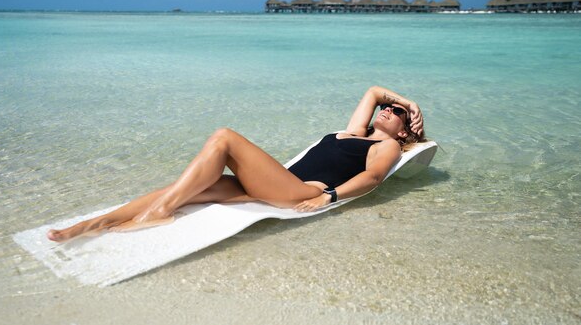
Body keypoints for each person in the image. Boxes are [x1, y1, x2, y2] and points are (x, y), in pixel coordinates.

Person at [47, 85, 425, 242]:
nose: (386, 109)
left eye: (395, 113)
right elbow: (374, 90)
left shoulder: (387, 146)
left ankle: (159, 212)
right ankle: (94, 223)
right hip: (280, 181)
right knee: (190, 189)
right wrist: (409, 104)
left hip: (298, 192)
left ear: (405, 133)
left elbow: (374, 178)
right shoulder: (355, 131)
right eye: (387, 108)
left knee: (224, 137)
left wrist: (328, 198)